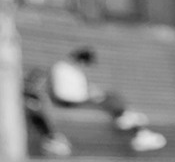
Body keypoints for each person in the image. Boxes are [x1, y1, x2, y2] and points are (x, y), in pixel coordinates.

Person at [23, 47, 166, 155]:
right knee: (110, 97)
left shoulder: (70, 70)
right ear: (82, 60)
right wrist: (88, 95)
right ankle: (130, 123)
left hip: (75, 99)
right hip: (69, 101)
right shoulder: (62, 68)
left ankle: (129, 120)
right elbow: (64, 92)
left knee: (110, 96)